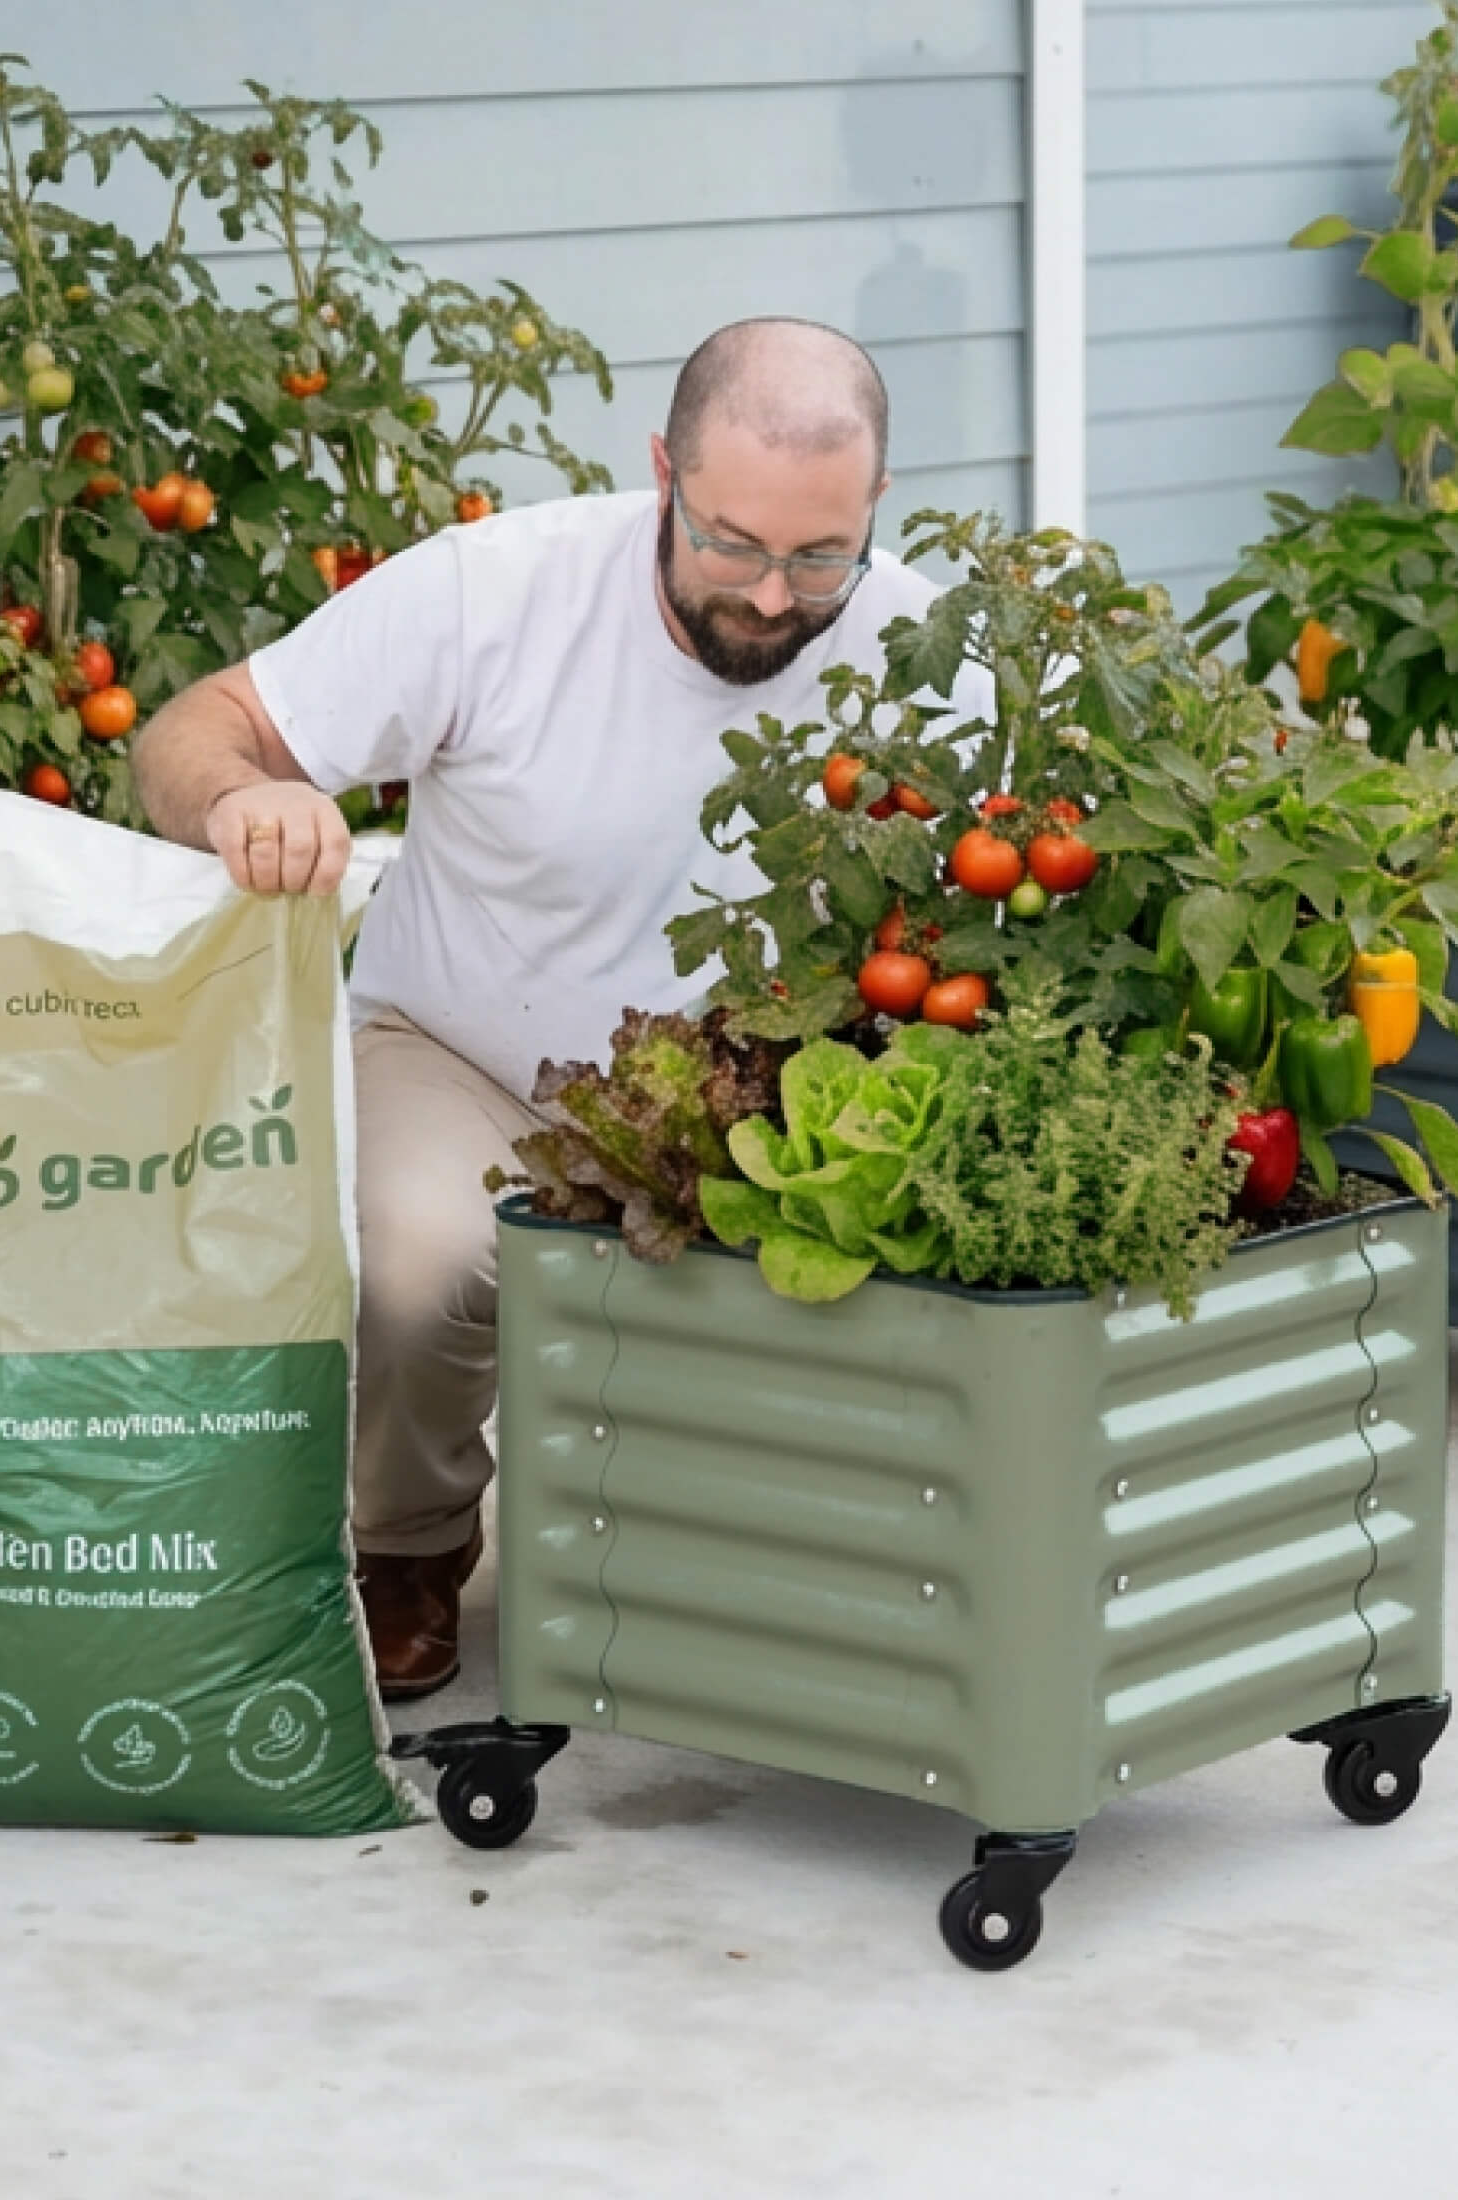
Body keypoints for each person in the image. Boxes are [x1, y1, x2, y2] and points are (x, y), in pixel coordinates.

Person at [133, 317, 974, 1700]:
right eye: (731, 543)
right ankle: (405, 1541)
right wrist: (246, 795)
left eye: (821, 555)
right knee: (421, 1262)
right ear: (662, 471)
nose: (771, 597)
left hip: (753, 1097)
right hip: (462, 1050)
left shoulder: (927, 647)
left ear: (875, 505)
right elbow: (195, 727)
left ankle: (759, 1561)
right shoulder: (496, 592)